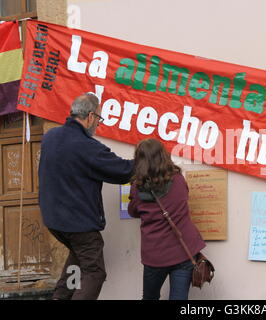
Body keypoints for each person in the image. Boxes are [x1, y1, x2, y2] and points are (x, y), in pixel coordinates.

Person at [39, 92, 134, 300]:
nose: (98, 124)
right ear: (90, 116)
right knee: (95, 272)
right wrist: (145, 161)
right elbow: (123, 171)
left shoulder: (50, 137)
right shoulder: (87, 146)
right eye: (99, 119)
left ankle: (59, 297)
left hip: (54, 221)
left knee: (78, 262)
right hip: (78, 224)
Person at [128, 138, 206, 300]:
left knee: (150, 297)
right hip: (183, 251)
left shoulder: (137, 187)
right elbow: (184, 198)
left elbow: (133, 211)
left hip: (155, 256)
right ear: (164, 156)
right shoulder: (178, 179)